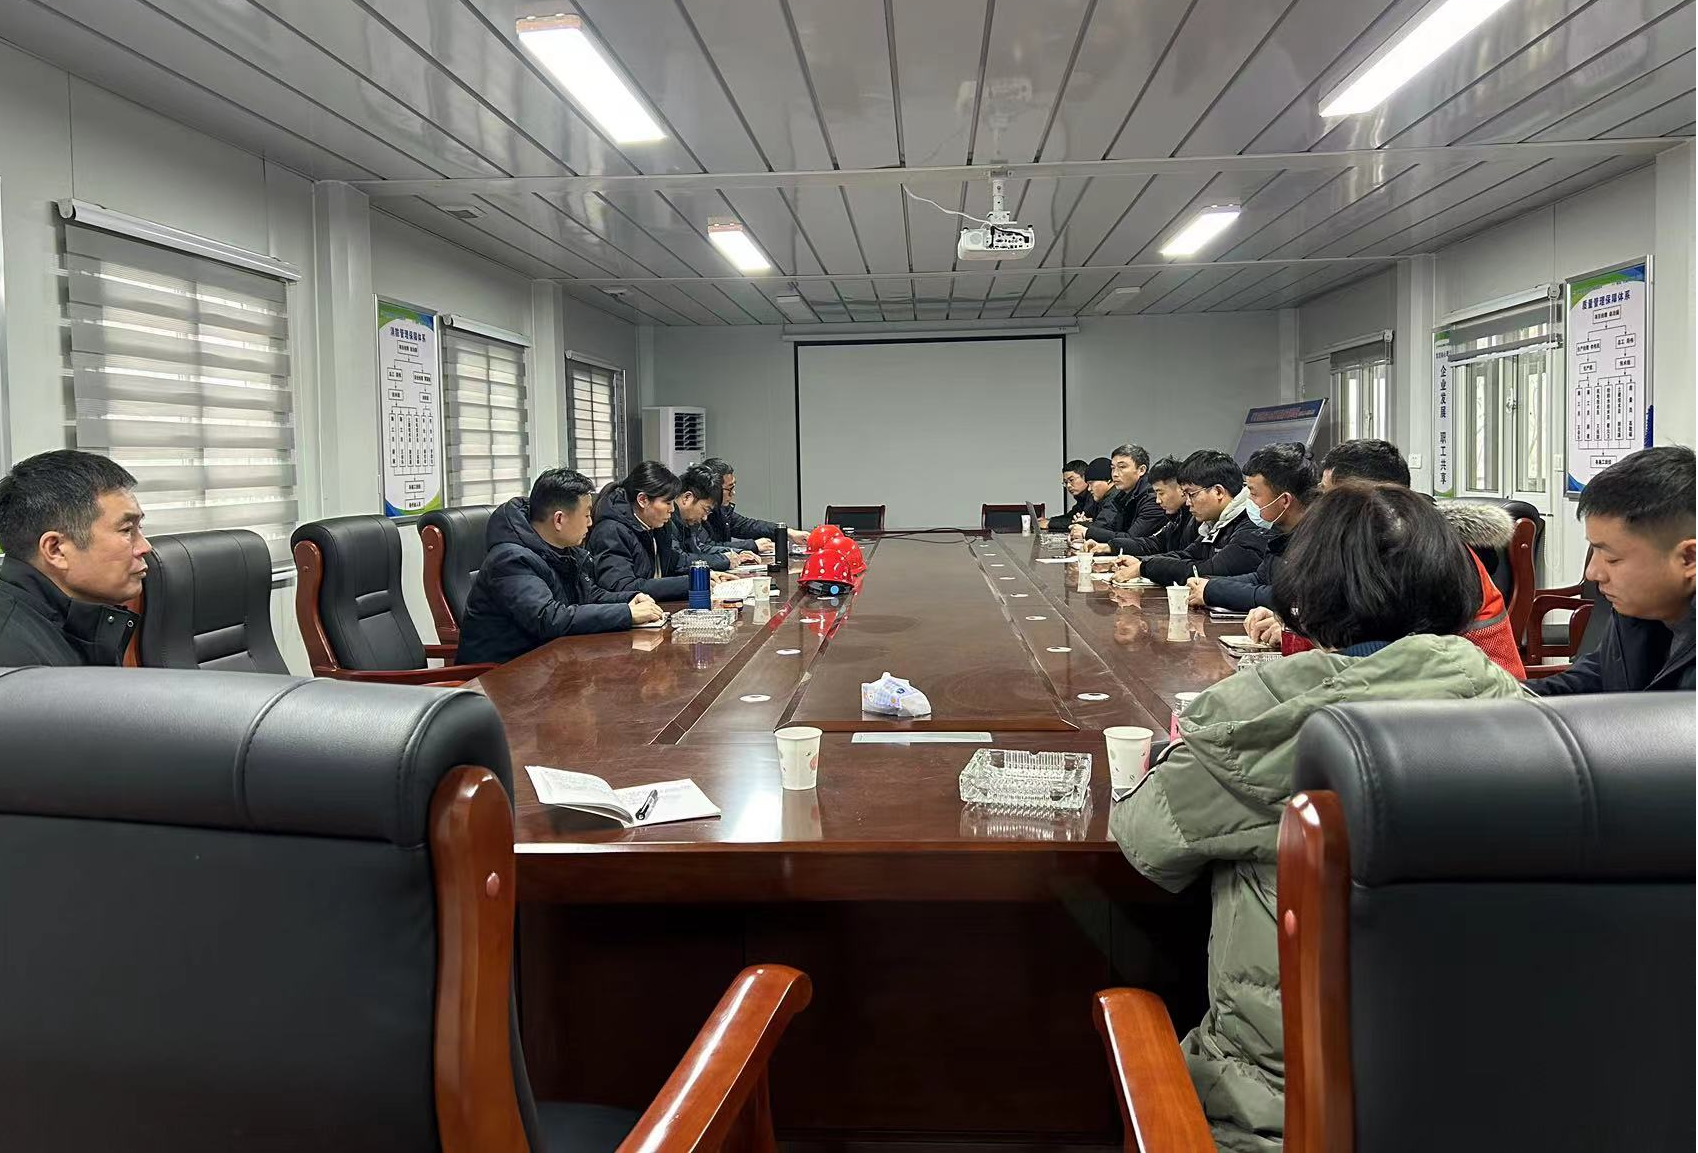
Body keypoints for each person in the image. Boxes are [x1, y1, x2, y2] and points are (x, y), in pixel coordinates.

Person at [1111, 483, 1525, 1152]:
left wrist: (1177, 755)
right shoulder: (1525, 716)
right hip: (1498, 1099)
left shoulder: (1256, 720)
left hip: (1279, 1113)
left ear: (1306, 594)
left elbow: (1143, 839)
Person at [1244, 438, 1526, 678]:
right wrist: (1297, 627)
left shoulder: (1414, 552)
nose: (1322, 508)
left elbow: (1381, 653)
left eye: (1330, 497)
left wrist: (1303, 634)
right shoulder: (1399, 540)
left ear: (1371, 498)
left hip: (1478, 699)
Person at [1529, 445, 1695, 693]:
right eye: (1593, 550)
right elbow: (1596, 677)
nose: (1592, 573)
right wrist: (1508, 698)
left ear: (1689, 559)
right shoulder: (1638, 610)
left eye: (1611, 558)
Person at [456, 468, 664, 664]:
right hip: (501, 675)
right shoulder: (511, 559)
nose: (590, 523)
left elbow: (588, 596)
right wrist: (626, 614)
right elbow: (548, 618)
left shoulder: (563, 550)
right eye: (586, 515)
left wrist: (630, 599)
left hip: (547, 663)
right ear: (559, 519)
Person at [0, 450, 150, 668]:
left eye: (139, 528)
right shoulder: (15, 659)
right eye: (127, 530)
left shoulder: (80, 618)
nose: (145, 547)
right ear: (56, 550)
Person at [1188, 442, 1318, 611]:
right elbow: (1260, 578)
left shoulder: (1318, 541)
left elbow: (1287, 596)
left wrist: (1212, 591)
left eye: (1254, 493)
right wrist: (1207, 583)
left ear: (1284, 500)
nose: (1249, 499)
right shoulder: (1279, 532)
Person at [1112, 450, 1270, 586]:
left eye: (1191, 494)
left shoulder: (1253, 524)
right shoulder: (1215, 523)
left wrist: (1144, 568)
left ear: (1218, 492)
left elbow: (1211, 570)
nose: (1187, 502)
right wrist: (1142, 562)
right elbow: (1187, 555)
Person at [588, 461, 734, 601]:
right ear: (643, 500)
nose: (672, 509)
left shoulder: (657, 525)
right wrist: (690, 583)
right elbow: (623, 587)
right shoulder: (611, 531)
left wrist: (702, 574)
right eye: (667, 502)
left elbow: (675, 561)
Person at [1085, 456, 1194, 556]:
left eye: (1161, 493)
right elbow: (1153, 543)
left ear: (1181, 489)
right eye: (1113, 468)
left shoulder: (1195, 520)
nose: (1157, 500)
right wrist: (1109, 547)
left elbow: (1186, 559)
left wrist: (1143, 565)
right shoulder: (1177, 517)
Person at [699, 457, 807, 552]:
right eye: (729, 488)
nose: (733, 493)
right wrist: (753, 545)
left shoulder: (721, 510)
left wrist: (786, 532)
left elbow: (747, 526)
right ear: (714, 489)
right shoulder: (696, 514)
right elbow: (707, 548)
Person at [669, 465, 760, 571]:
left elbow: (700, 548)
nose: (705, 518)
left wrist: (735, 553)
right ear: (687, 497)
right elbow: (678, 561)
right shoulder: (667, 521)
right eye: (705, 509)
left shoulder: (687, 521)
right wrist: (723, 560)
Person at [1074, 444, 1164, 548]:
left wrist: (1087, 532)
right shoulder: (1123, 495)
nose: (1114, 474)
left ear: (1141, 470)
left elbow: (1131, 539)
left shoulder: (1152, 498)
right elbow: (1109, 528)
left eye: (1122, 467)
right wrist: (1084, 528)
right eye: (1113, 468)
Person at [1044, 459, 1093, 530]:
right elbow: (1070, 516)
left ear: (1085, 477)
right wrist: (1049, 520)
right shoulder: (1081, 498)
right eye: (1066, 482)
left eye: (1071, 480)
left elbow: (1080, 521)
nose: (1068, 486)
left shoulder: (1094, 497)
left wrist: (1049, 523)